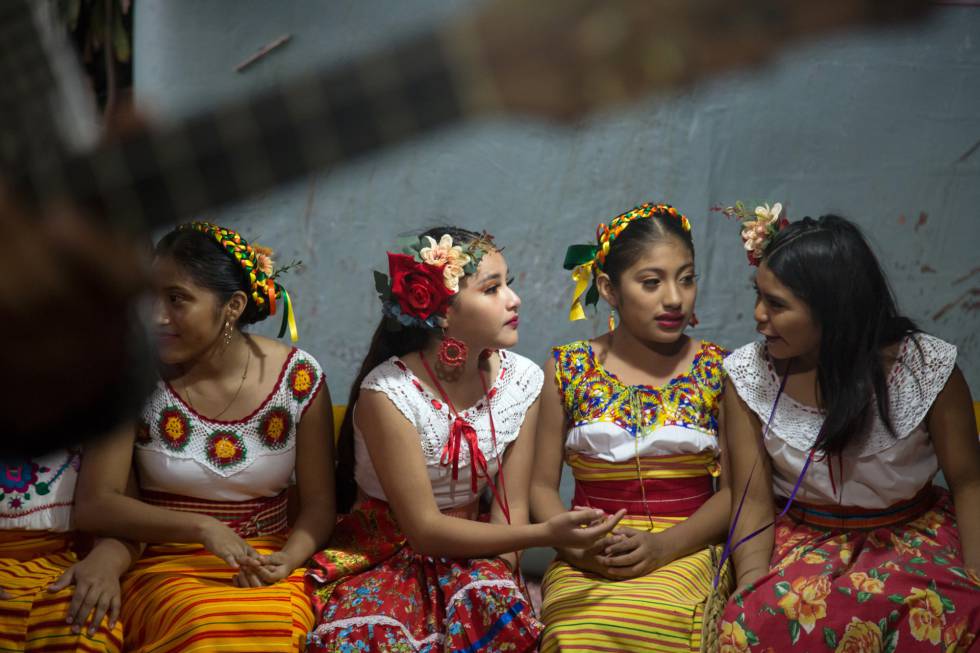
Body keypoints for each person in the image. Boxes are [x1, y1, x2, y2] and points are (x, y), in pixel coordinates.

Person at [305, 226, 625, 651]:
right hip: (385, 555)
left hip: (478, 554)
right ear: (442, 313)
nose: (514, 300)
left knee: (493, 614)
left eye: (507, 284)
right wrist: (548, 533)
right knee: (379, 637)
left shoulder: (522, 381)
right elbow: (423, 532)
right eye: (491, 289)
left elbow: (508, 518)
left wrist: (497, 583)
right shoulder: (389, 393)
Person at [716, 208, 980, 651]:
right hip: (805, 541)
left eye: (777, 304)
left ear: (833, 310)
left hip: (913, 535)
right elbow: (753, 501)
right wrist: (753, 581)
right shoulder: (748, 376)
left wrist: (975, 573)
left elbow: (970, 482)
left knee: (951, 618)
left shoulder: (926, 370)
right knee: (759, 624)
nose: (759, 316)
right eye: (757, 296)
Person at [73, 222, 335, 652]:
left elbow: (321, 505)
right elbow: (96, 503)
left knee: (281, 632)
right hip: (167, 565)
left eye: (176, 299)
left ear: (232, 306)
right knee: (202, 628)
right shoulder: (131, 377)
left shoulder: (299, 378)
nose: (157, 316)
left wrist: (286, 560)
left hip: (267, 563)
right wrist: (201, 527)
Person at [531, 203, 733, 652]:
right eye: (651, 282)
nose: (675, 298)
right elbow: (540, 488)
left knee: (660, 623)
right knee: (573, 634)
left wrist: (664, 547)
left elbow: (737, 494)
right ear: (609, 289)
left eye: (687, 277)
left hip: (688, 550)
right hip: (590, 556)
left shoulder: (720, 369)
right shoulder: (567, 368)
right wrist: (578, 547)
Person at [0, 443, 136, 651]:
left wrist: (106, 562)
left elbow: (125, 517)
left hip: (66, 564)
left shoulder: (98, 417)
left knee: (86, 617)